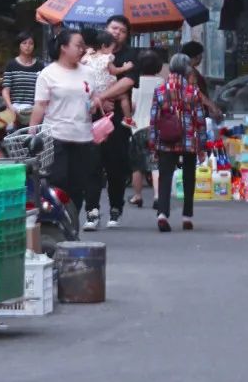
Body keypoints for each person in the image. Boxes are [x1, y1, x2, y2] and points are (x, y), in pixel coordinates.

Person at [29, 28, 94, 215]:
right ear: (64, 47)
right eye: (78, 45)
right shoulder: (48, 74)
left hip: (83, 136)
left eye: (83, 46)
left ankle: (73, 223)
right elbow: (40, 105)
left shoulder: (88, 73)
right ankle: (58, 221)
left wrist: (97, 103)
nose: (82, 49)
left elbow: (93, 97)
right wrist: (32, 133)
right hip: (56, 136)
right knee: (58, 180)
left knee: (78, 185)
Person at [150, 52, 208, 232]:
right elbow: (200, 119)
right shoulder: (193, 91)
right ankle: (187, 216)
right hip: (189, 140)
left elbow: (154, 119)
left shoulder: (160, 90)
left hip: (166, 140)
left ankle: (162, 214)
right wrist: (202, 145)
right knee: (188, 176)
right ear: (187, 69)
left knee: (165, 176)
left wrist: (153, 143)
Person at [81, 31, 121, 232]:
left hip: (109, 117)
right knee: (93, 166)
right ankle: (93, 210)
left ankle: (114, 208)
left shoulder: (86, 59)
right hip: (97, 116)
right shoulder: (101, 60)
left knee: (113, 166)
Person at [129, 49, 164, 208]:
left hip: (137, 128)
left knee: (137, 166)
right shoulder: (161, 82)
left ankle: (137, 195)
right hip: (157, 127)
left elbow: (132, 106)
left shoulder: (134, 82)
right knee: (155, 163)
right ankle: (157, 196)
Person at [1, 33, 44, 120]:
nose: (27, 46)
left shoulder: (40, 66)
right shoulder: (11, 65)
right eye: (24, 43)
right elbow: (6, 90)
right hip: (14, 110)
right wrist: (10, 107)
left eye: (31, 43)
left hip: (33, 111)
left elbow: (43, 90)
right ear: (19, 45)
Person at [181, 40, 222, 121]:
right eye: (201, 55)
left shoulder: (184, 70)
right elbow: (196, 92)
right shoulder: (190, 72)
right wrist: (212, 105)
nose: (202, 57)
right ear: (196, 56)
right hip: (195, 114)